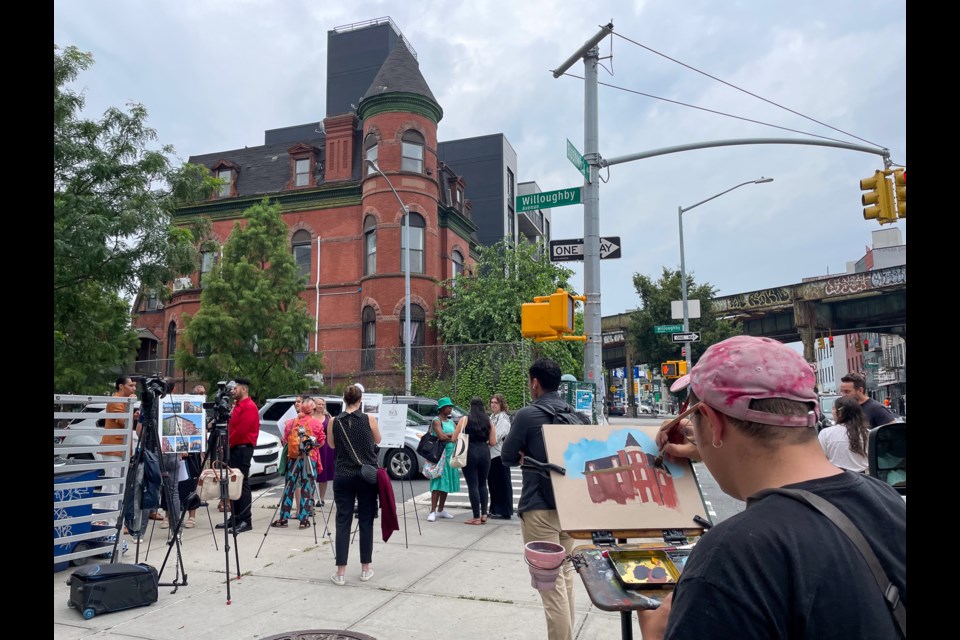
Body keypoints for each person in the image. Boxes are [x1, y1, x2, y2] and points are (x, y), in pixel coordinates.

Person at [637, 336, 906, 640]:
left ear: (712, 421)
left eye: (691, 416)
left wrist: (656, 633)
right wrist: (709, 444)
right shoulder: (885, 499)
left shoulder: (732, 556)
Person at [501, 358, 582, 640]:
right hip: (569, 508)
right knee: (566, 579)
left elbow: (507, 457)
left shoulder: (527, 415)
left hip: (539, 509)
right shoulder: (575, 415)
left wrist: (527, 454)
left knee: (551, 586)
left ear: (535, 382)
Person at [329, 384, 381, 585]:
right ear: (360, 401)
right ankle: (365, 568)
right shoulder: (369, 419)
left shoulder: (334, 421)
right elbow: (378, 439)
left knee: (343, 520)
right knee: (366, 520)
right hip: (366, 475)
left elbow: (332, 445)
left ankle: (340, 572)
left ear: (344, 399)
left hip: (343, 473)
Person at [273, 397, 325, 529]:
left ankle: (283, 517)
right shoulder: (316, 424)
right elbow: (321, 441)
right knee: (307, 488)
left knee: (289, 487)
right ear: (312, 410)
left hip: (293, 458)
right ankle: (304, 519)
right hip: (310, 458)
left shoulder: (290, 423)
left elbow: (285, 440)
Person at [215, 378, 258, 534]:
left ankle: (246, 519)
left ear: (244, 389)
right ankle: (235, 517)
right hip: (233, 447)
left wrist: (228, 443)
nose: (233, 391)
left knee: (242, 483)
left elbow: (241, 431)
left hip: (242, 448)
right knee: (232, 483)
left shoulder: (249, 407)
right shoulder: (237, 406)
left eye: (236, 388)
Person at [100, 377, 138, 526]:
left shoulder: (123, 400)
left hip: (120, 448)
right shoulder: (116, 399)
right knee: (113, 483)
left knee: (114, 483)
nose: (134, 388)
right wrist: (132, 406)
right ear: (121, 386)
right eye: (131, 385)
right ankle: (111, 520)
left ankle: (105, 518)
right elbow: (123, 420)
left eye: (134, 386)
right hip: (114, 448)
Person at [454, 397, 497, 525]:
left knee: (472, 485)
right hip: (484, 452)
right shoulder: (489, 421)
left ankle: (476, 517)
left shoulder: (465, 419)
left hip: (469, 452)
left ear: (471, 406)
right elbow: (493, 442)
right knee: (483, 484)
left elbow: (454, 438)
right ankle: (484, 514)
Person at [427, 397, 460, 522]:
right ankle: (432, 511)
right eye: (448, 406)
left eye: (451, 406)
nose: (450, 408)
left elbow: (458, 435)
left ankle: (440, 510)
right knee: (437, 483)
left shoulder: (451, 422)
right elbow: (441, 436)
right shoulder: (436, 421)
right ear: (441, 408)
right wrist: (452, 436)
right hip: (439, 455)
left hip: (450, 454)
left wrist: (450, 437)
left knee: (445, 484)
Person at [818, 395, 870, 473]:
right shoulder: (868, 433)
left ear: (840, 413)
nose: (832, 412)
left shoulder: (825, 434)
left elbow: (820, 459)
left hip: (835, 478)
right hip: (864, 478)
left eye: (833, 409)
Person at [487, 393, 514, 520]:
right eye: (492, 402)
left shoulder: (503, 419)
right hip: (491, 454)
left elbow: (496, 437)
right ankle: (494, 508)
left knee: (501, 483)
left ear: (501, 404)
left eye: (496, 403)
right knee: (493, 484)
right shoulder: (492, 417)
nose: (493, 405)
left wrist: (485, 439)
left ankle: (504, 511)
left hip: (499, 454)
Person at [314, 397, 335, 508]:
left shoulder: (328, 417)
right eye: (318, 404)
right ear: (314, 405)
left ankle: (321, 499)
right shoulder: (310, 417)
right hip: (313, 447)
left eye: (322, 404)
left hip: (326, 449)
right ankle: (310, 498)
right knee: (311, 473)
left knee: (324, 474)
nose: (321, 406)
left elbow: (332, 433)